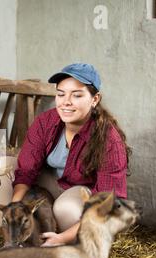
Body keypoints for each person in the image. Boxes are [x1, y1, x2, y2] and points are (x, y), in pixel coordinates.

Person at [12, 63, 131, 247]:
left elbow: (107, 202)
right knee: (3, 169)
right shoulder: (46, 121)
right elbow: (26, 169)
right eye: (61, 94)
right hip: (53, 183)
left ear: (94, 99)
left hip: (81, 192)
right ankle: (14, 237)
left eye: (76, 95)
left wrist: (62, 238)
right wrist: (15, 205)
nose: (66, 102)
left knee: (66, 208)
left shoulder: (109, 139)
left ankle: (73, 245)